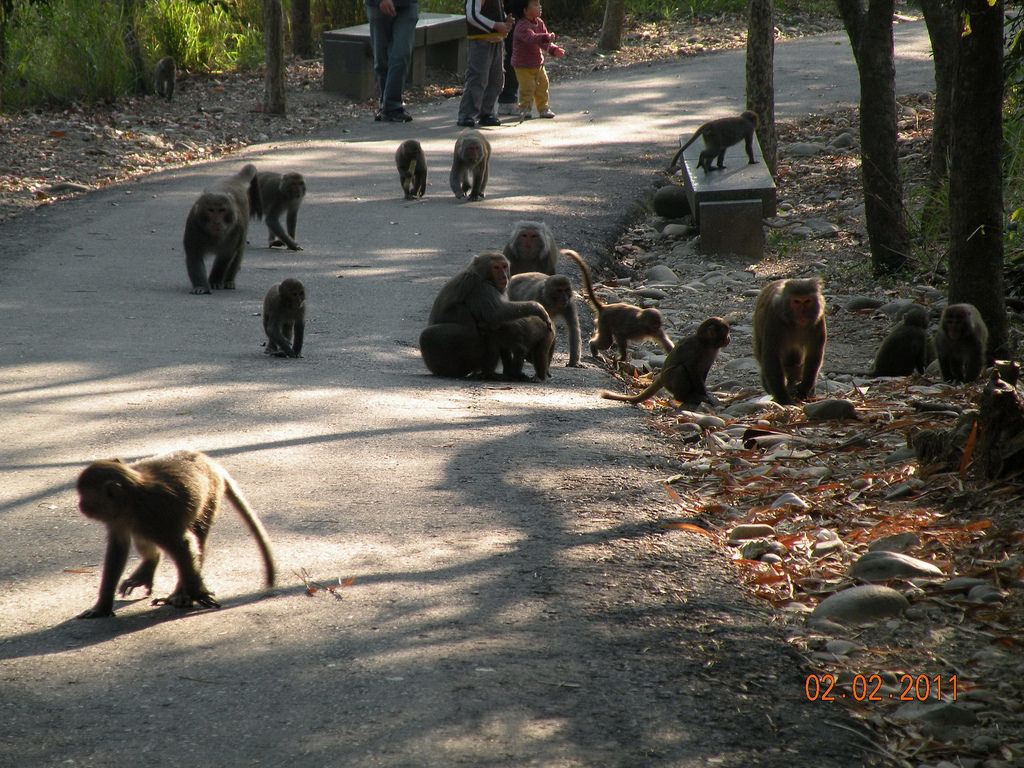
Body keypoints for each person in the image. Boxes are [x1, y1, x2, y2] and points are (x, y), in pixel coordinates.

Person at [457, 0, 514, 128]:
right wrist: (495, 25)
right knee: (478, 78)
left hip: (497, 40)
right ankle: (467, 114)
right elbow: (472, 15)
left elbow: (496, 11)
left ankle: (486, 112)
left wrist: (505, 21)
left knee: (496, 79)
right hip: (480, 41)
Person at [510, 0, 563, 120]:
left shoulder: (540, 23)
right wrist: (545, 37)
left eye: (539, 4)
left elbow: (544, 43)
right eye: (535, 5)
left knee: (543, 85)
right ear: (525, 10)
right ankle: (525, 108)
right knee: (527, 87)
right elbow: (531, 38)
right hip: (522, 65)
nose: (540, 7)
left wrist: (553, 50)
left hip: (537, 62)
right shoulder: (522, 26)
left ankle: (543, 108)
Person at [365, 0, 418, 122]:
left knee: (401, 54)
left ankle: (392, 105)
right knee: (381, 59)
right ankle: (386, 104)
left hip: (407, 5)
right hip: (377, 6)